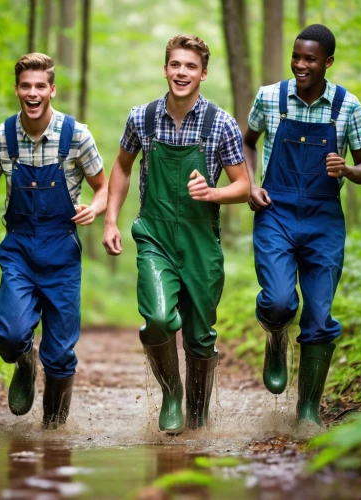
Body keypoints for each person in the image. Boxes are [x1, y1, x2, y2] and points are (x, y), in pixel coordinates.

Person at [103, 34, 250, 435]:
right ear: (165, 68)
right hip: (155, 235)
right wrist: (112, 219)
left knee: (200, 338)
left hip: (202, 241)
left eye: (190, 66)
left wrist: (213, 191)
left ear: (203, 73)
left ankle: (199, 421)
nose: (181, 73)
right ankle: (171, 393)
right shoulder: (142, 118)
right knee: (157, 319)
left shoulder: (221, 124)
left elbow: (244, 186)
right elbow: (120, 167)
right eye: (175, 65)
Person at [243, 24, 361, 426]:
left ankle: (307, 411)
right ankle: (275, 334)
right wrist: (250, 184)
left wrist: (349, 169)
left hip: (324, 220)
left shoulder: (347, 107)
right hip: (276, 213)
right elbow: (248, 142)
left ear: (328, 63)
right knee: (280, 301)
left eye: (310, 59)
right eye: (296, 56)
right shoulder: (270, 97)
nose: (300, 65)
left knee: (319, 317)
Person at [0, 53, 108, 429]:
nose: (33, 93)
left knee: (60, 355)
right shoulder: (2, 136)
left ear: (52, 90)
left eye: (40, 86)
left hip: (62, 251)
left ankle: (53, 433)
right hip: (20, 251)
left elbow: (103, 186)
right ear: (17, 89)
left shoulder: (76, 135)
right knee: (10, 336)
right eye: (26, 86)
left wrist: (95, 208)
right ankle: (24, 361)